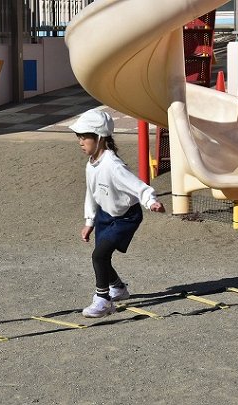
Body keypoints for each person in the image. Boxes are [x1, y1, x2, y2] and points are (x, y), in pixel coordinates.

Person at [70, 108, 165, 318]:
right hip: (105, 215)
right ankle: (119, 288)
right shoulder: (91, 165)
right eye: (79, 136)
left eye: (85, 136)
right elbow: (91, 194)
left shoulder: (113, 165)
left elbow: (139, 187)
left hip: (126, 217)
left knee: (99, 255)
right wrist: (89, 221)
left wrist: (151, 202)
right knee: (101, 256)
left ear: (100, 137)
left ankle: (103, 301)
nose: (80, 141)